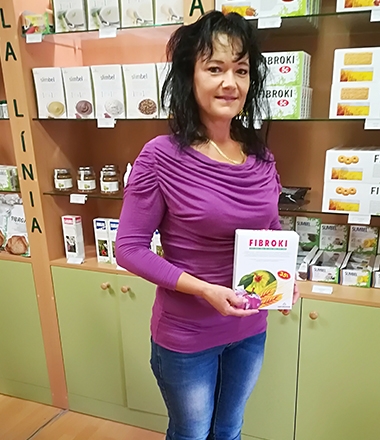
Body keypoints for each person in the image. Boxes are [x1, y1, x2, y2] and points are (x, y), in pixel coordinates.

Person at [116, 10, 299, 440]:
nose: (230, 82)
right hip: (187, 334)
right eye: (215, 68)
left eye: (241, 70)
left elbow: (271, 230)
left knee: (230, 429)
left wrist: (286, 276)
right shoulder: (161, 156)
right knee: (192, 433)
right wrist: (204, 289)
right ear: (189, 76)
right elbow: (128, 248)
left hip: (250, 327)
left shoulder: (260, 157)